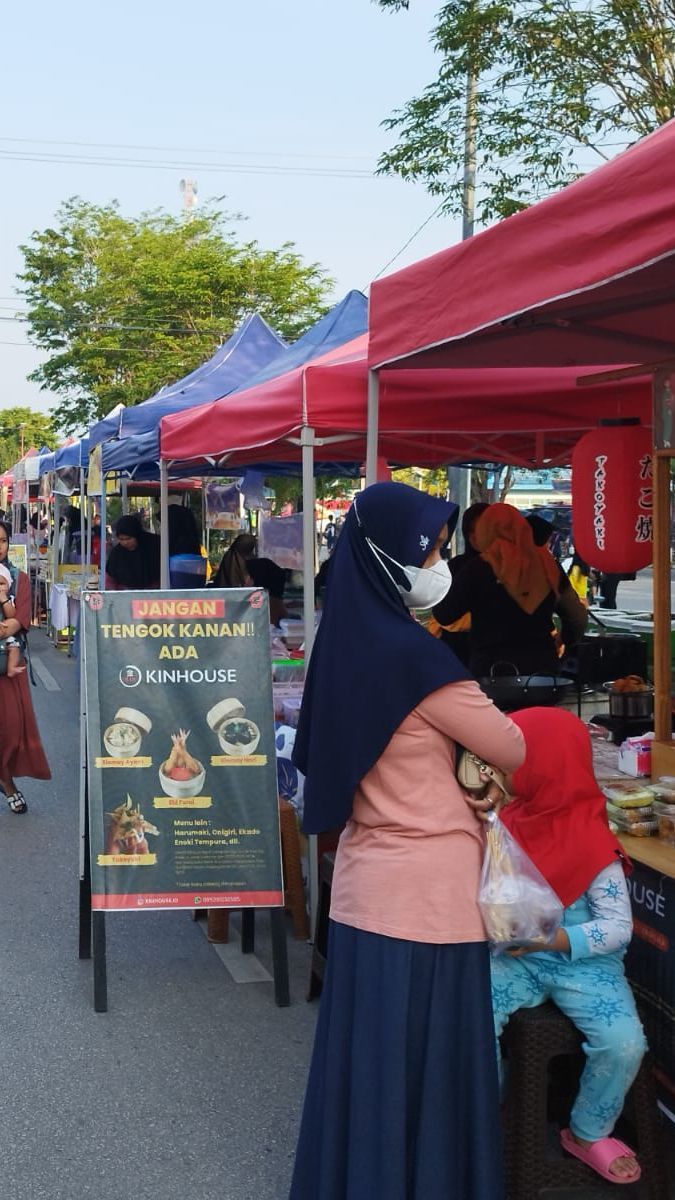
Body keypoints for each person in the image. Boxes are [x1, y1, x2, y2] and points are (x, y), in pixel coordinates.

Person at [288, 482, 525, 1200]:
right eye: (429, 548)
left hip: (364, 890)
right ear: (390, 557)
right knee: (431, 1068)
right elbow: (510, 745)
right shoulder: (418, 661)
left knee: (371, 1066)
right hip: (431, 898)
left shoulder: (343, 644)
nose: (440, 559)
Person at [490, 706, 646, 1186]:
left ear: (542, 767)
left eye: (508, 758)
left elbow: (619, 927)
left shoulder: (594, 844)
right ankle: (478, 1119)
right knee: (467, 1021)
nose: (495, 768)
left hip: (586, 966)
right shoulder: (502, 824)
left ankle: (586, 1131)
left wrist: (551, 940)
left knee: (624, 1044)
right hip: (514, 961)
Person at [432, 502, 587, 677]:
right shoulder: (547, 564)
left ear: (485, 532)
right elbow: (577, 617)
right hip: (542, 671)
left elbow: (444, 614)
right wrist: (566, 638)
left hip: (491, 672)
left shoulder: (477, 568)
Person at [0, 521, 50, 812]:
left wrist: (6, 626)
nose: (0, 546)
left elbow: (20, 620)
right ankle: (8, 785)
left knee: (11, 729)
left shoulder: (18, 578)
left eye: (3, 540)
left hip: (9, 665)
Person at [213, 533, 287, 624]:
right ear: (254, 548)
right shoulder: (264, 566)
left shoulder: (228, 563)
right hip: (263, 618)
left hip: (231, 618)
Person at [104, 515, 161, 591]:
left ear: (137, 535)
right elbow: (110, 580)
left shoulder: (154, 546)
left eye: (128, 538)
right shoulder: (117, 553)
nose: (125, 542)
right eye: (121, 539)